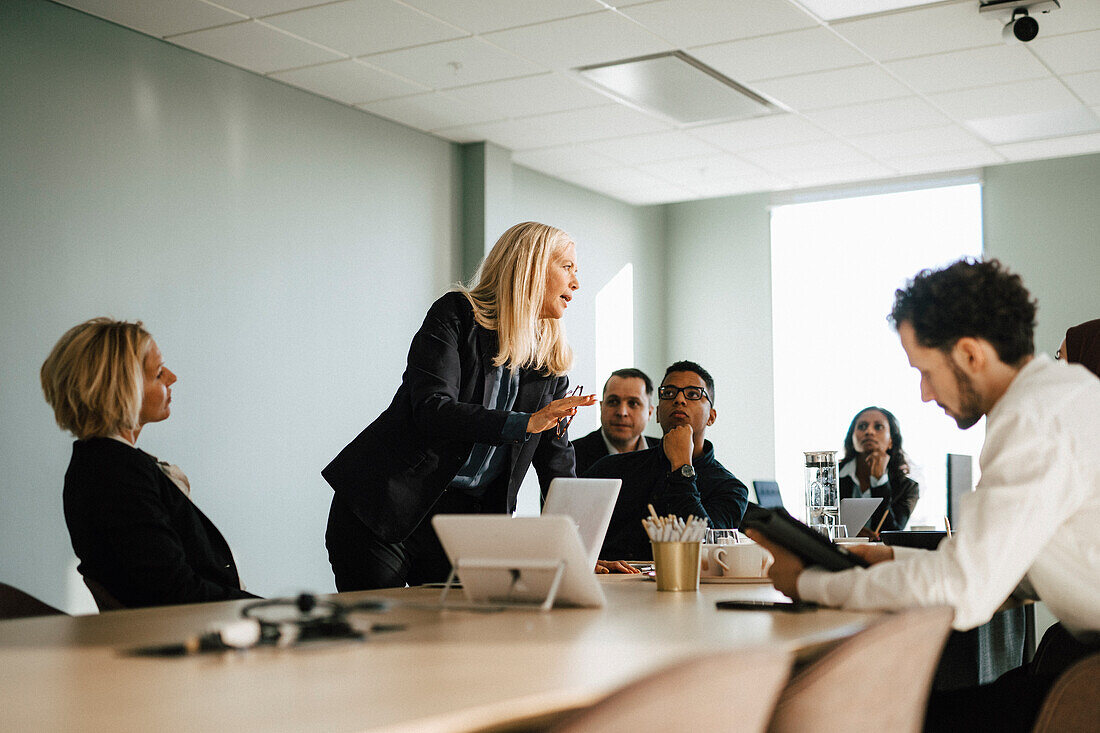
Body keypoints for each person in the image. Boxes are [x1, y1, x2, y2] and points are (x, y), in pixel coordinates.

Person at [748, 259, 1100, 733]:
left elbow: (962, 591)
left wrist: (811, 582)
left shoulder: (1030, 420)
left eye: (927, 371)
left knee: (870, 714)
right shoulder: (1070, 393)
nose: (923, 393)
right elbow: (1026, 565)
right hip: (1085, 662)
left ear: (972, 355)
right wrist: (889, 557)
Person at [322, 222, 600, 591]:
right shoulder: (455, 314)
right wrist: (524, 423)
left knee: (455, 639)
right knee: (382, 636)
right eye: (567, 267)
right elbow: (433, 408)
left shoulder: (550, 363)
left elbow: (555, 459)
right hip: (385, 507)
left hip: (465, 524)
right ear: (531, 266)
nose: (576, 283)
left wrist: (581, 550)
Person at [40, 318, 256, 608]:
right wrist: (267, 610)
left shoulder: (104, 465)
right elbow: (175, 591)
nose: (172, 377)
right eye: (157, 374)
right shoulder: (115, 474)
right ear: (121, 389)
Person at [588, 361, 749, 561]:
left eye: (693, 394)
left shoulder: (730, 488)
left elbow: (706, 552)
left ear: (711, 416)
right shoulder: (611, 469)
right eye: (669, 393)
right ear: (656, 414)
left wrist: (682, 467)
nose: (679, 399)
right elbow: (577, 541)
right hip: (612, 586)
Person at [838, 406, 919, 535]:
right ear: (852, 438)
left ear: (891, 441)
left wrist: (880, 482)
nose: (869, 431)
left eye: (878, 427)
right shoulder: (831, 477)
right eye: (862, 426)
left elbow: (893, 535)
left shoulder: (907, 487)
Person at [570, 368, 658, 476]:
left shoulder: (665, 454)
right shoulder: (570, 456)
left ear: (649, 412)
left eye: (633, 403)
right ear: (601, 407)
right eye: (613, 401)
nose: (622, 412)